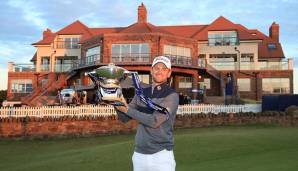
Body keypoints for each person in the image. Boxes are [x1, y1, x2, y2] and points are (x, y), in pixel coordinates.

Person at [114, 56, 179, 171]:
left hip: (162, 156)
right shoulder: (141, 92)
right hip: (139, 156)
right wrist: (115, 100)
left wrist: (127, 109)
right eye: (157, 68)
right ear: (151, 70)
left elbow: (154, 121)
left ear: (169, 73)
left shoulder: (171, 95)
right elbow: (124, 118)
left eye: (164, 69)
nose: (159, 71)